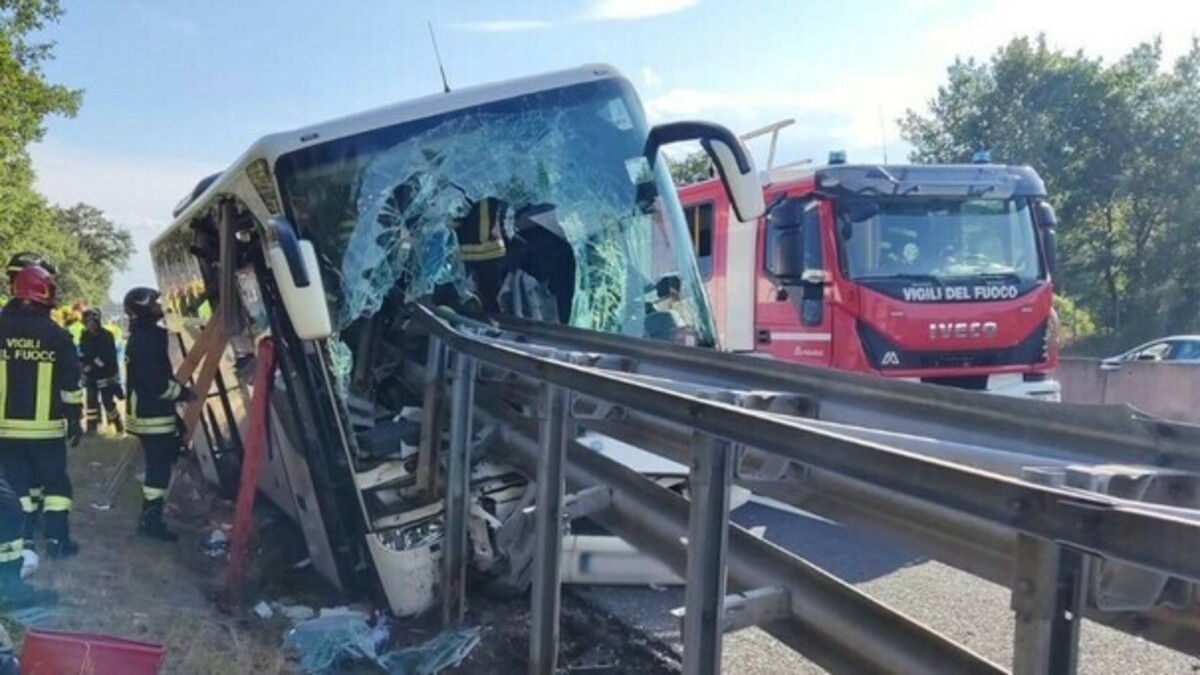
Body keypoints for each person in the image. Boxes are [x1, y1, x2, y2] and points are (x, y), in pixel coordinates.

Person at [0, 265, 83, 559]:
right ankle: (58, 541)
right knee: (56, 483)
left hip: (5, 429)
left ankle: (23, 541)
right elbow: (71, 384)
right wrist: (75, 419)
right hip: (46, 430)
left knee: (16, 485)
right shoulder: (57, 335)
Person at [124, 287, 191, 542]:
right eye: (154, 303)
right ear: (144, 307)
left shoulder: (142, 336)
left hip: (150, 413)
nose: (159, 306)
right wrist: (183, 393)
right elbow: (157, 383)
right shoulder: (148, 339)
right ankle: (151, 521)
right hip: (152, 416)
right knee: (158, 469)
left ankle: (151, 517)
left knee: (159, 467)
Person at [79, 308, 124, 435]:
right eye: (87, 322)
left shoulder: (106, 336)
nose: (90, 325)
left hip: (106, 373)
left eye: (92, 322)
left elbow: (106, 356)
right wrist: (83, 366)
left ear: (97, 321)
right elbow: (83, 353)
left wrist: (92, 365)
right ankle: (92, 427)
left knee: (107, 402)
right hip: (91, 375)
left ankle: (118, 424)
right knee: (91, 402)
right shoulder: (85, 336)